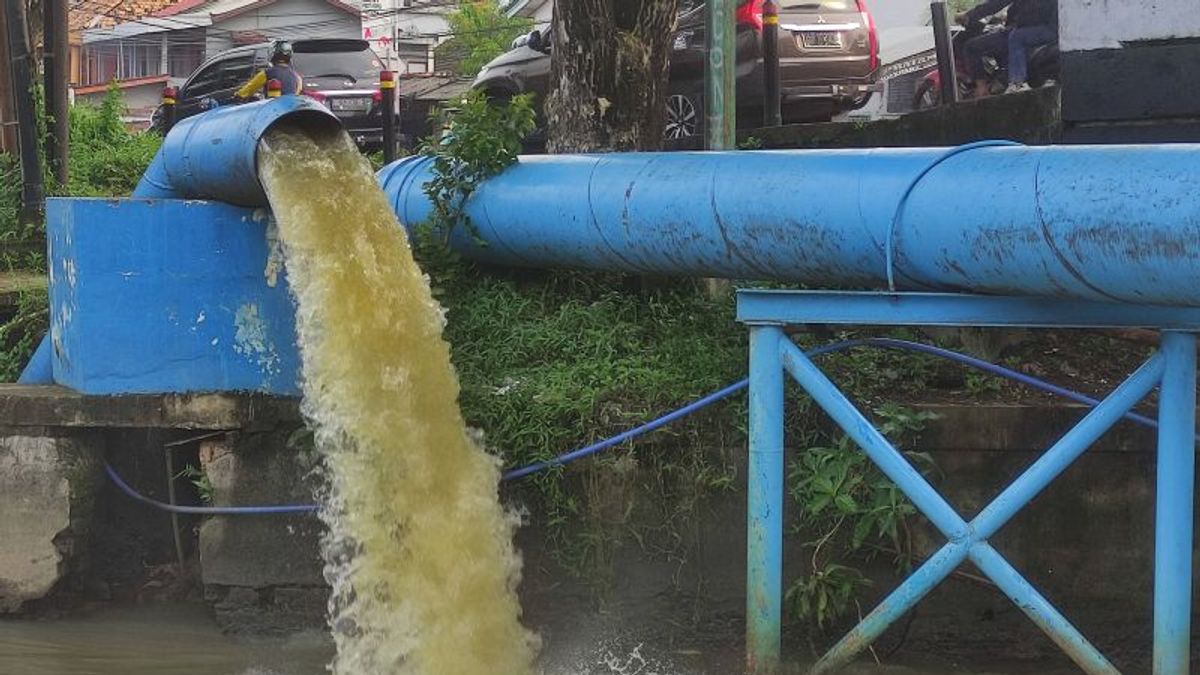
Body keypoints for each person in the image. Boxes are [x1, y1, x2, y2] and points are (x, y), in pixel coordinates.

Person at [956, 0, 1057, 97]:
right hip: (1053, 31)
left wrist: (969, 16)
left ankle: (982, 90)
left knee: (971, 47)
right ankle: (1003, 83)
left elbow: (996, 4)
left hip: (1027, 30)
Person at [235, 41, 303, 100]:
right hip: (291, 111)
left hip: (274, 111)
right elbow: (297, 92)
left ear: (272, 55)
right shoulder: (296, 76)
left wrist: (237, 95)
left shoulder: (268, 73)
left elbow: (249, 88)